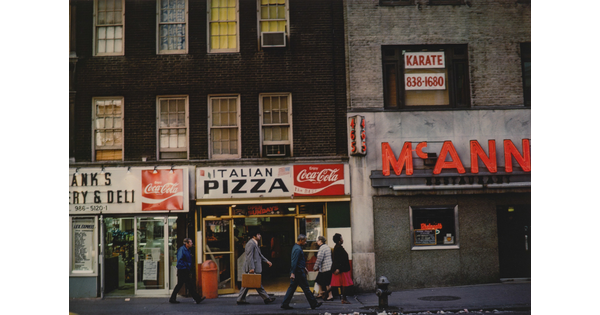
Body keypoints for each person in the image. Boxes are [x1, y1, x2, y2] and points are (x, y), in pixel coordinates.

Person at [280, 234, 323, 310]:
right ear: (300, 240)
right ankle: (314, 303)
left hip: (298, 271)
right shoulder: (298, 249)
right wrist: (293, 273)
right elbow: (294, 261)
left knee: (292, 288)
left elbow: (297, 261)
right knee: (306, 288)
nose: (306, 242)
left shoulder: (296, 247)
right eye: (304, 241)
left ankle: (285, 303)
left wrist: (303, 268)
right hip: (298, 272)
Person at [236, 230, 276, 305]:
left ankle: (240, 299)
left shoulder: (255, 243)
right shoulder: (250, 244)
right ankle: (266, 298)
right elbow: (249, 257)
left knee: (248, 284)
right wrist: (251, 268)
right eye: (258, 234)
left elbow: (259, 255)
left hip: (254, 267)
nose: (260, 235)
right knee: (254, 284)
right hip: (253, 267)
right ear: (254, 236)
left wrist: (267, 261)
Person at [169, 238, 206, 304]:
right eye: (190, 242)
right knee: (189, 284)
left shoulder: (187, 250)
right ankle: (197, 298)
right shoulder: (182, 250)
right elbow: (180, 260)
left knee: (180, 285)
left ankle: (172, 298)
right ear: (186, 244)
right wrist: (187, 265)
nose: (192, 243)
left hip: (184, 269)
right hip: (183, 270)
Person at [330, 233, 353, 304]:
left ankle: (343, 298)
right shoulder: (338, 248)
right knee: (344, 284)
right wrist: (338, 268)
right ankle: (344, 299)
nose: (342, 239)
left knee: (338, 284)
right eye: (341, 238)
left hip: (342, 268)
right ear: (339, 240)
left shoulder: (338, 247)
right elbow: (338, 259)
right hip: (343, 269)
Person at [313, 236, 334, 301]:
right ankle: (321, 292)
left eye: (318, 240)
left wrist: (315, 267)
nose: (317, 242)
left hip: (325, 268)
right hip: (327, 267)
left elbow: (319, 258)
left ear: (321, 241)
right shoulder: (327, 247)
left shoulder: (322, 248)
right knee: (318, 280)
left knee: (327, 283)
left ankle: (330, 295)